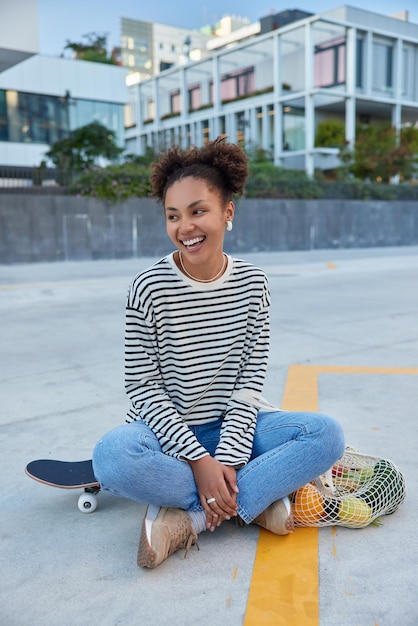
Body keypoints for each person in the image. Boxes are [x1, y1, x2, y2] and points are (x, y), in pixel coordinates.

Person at [92, 137, 345, 569]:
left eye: (198, 211)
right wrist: (198, 460)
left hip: (237, 428)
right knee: (112, 458)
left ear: (228, 213)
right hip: (166, 437)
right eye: (173, 216)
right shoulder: (148, 287)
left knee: (327, 435)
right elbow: (142, 386)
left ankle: (190, 516)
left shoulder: (253, 284)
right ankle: (256, 500)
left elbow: (249, 381)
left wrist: (224, 459)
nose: (184, 227)